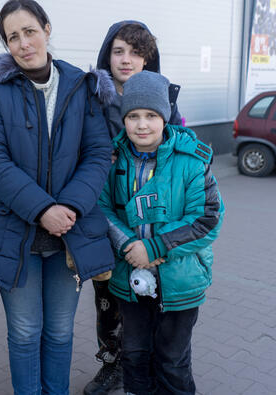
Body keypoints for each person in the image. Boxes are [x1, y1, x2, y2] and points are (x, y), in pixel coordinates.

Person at [0, 0, 114, 395]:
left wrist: (66, 207)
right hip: (14, 234)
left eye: (29, 31)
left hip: (70, 231)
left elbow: (98, 153)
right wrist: (41, 209)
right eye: (12, 37)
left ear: (47, 28)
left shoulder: (81, 86)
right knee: (24, 331)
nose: (23, 43)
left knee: (60, 331)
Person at [98, 70, 224, 394]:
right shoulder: (112, 160)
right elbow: (102, 209)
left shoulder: (192, 161)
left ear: (165, 118)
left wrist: (154, 248)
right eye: (134, 116)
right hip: (130, 279)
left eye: (151, 115)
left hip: (180, 282)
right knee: (135, 355)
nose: (142, 125)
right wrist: (129, 245)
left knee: (172, 359)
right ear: (123, 119)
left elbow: (208, 218)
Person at [83, 21, 185, 395]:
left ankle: (157, 367)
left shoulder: (167, 102)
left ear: (149, 58)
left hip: (155, 228)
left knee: (155, 301)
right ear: (107, 55)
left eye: (136, 52)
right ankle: (112, 364)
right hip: (107, 219)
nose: (127, 60)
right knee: (108, 301)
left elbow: (182, 157)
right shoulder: (91, 99)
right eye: (119, 50)